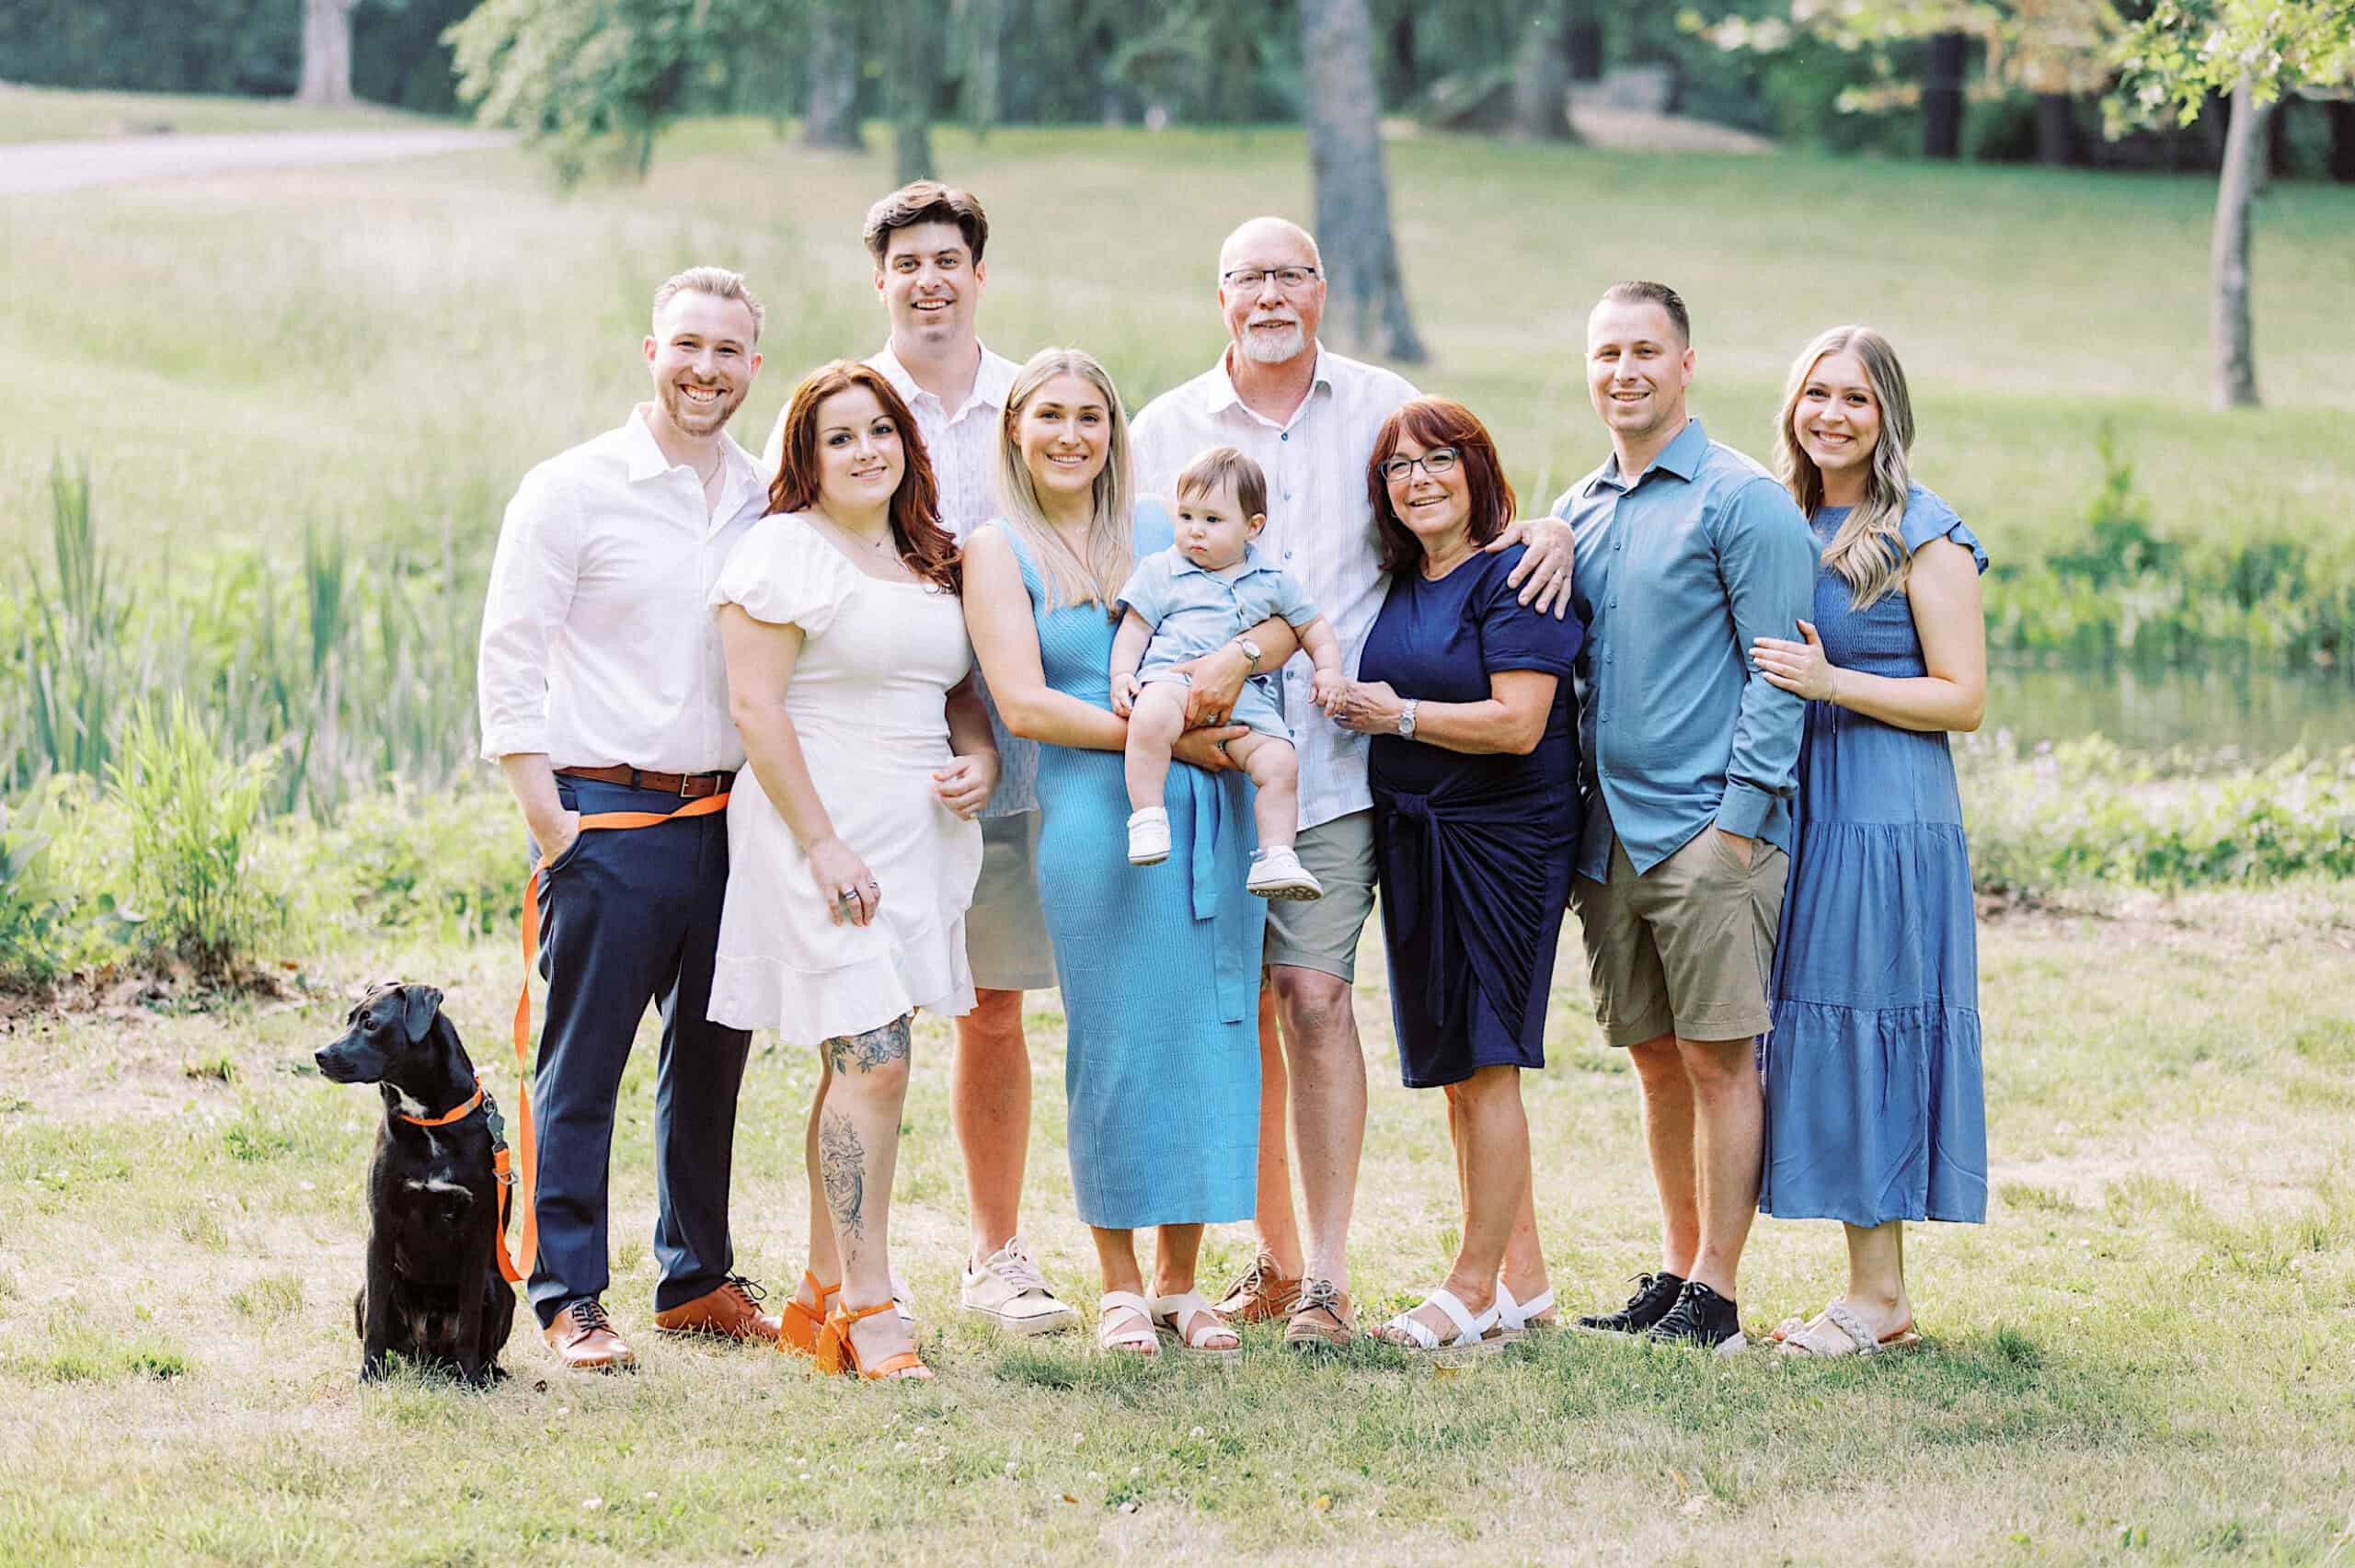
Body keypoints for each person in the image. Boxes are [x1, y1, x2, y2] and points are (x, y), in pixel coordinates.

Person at [1129, 216, 1576, 1349]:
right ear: (1218, 294)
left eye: (1291, 274)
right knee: (1234, 1012)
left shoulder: (1380, 402)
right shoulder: (1165, 428)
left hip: (1345, 770)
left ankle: (1326, 1275)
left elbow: (1463, 494)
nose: (1269, 294)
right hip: (1194, 767)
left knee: (1316, 1002)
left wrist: (1555, 527)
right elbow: (1129, 579)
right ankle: (1268, 1262)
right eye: (1247, 277)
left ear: (1322, 289)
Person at [763, 181, 1077, 1337]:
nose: (930, 280)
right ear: (880, 279)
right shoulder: (840, 409)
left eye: (949, 259)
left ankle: (998, 1254)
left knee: (991, 1008)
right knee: (863, 1030)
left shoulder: (1035, 404)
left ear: (979, 274)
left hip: (1012, 761)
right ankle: (834, 1278)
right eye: (907, 263)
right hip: (858, 782)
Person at [477, 266, 781, 1372]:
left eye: (728, 350)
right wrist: (550, 822)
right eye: (686, 344)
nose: (706, 368)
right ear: (649, 350)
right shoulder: (572, 488)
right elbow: (508, 653)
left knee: (710, 1059)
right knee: (584, 1062)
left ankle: (695, 1275)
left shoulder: (766, 493)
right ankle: (567, 1291)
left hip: (732, 819)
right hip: (605, 816)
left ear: (755, 363)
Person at [964, 349, 1283, 1357]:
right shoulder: (995, 547)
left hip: (1213, 813)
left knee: (1202, 1039)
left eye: (1090, 417)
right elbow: (1022, 703)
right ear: (1015, 428)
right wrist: (1164, 733)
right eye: (1049, 414)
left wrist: (1237, 656)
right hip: (1098, 821)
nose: (1070, 435)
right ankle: (1114, 1280)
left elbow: (1277, 609)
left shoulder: (1165, 526)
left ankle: (1182, 1283)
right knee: (1113, 1048)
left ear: (1114, 432)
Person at [710, 360, 997, 1381]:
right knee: (876, 1062)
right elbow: (756, 709)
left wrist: (985, 756)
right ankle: (871, 1305)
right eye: (840, 436)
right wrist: (823, 840)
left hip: (918, 832)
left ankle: (817, 1289)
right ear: (806, 455)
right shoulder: (785, 551)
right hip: (817, 826)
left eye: (881, 429)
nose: (866, 449)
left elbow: (957, 689)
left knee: (857, 1061)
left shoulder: (929, 557)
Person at [1555, 280, 1815, 1356]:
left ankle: (1717, 1287)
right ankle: (1673, 1270)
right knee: (1654, 1059)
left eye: (1645, 351)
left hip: (1708, 836)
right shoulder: (1577, 507)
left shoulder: (1739, 500)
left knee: (1719, 1061)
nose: (1625, 370)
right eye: (1607, 350)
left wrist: (1738, 821)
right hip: (1606, 838)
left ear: (1686, 363)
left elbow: (1780, 671)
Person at [1748, 326, 1989, 1357]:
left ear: (1886, 412)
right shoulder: (1775, 515)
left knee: (1871, 1017)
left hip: (1887, 810)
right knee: (1818, 1027)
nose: (1831, 415)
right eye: (1816, 394)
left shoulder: (1922, 533)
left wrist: (1835, 684)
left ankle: (1877, 1296)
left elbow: (1964, 697)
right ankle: (1865, 1289)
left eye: (1854, 397)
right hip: (1802, 803)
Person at [1327, 397, 1583, 1353]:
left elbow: (1518, 723)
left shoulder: (1517, 574)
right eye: (1398, 467)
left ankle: (1471, 1285)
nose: (1419, 480)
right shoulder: (1399, 582)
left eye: (1439, 460)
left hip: (1502, 841)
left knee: (1487, 1059)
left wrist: (1395, 717)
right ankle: (1523, 1280)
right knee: (1455, 1071)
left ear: (1479, 469)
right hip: (1413, 838)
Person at [1111, 445, 1344, 898]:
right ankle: (1147, 816)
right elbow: (1134, 629)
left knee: (1280, 761)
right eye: (1186, 517)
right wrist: (1122, 676)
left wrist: (1329, 670)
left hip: (1249, 699)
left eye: (1212, 521)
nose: (1194, 531)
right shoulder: (1162, 570)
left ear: (1252, 527)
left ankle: (1275, 855)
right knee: (1151, 716)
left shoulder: (1273, 578)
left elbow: (1312, 626)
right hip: (1173, 679)